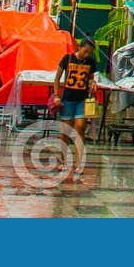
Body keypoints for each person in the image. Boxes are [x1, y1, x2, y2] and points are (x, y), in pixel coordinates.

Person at [53, 41, 99, 177]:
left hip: (81, 99)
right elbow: (57, 79)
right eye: (85, 51)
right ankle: (62, 159)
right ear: (79, 47)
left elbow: (90, 78)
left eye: (89, 53)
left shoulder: (90, 62)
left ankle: (79, 162)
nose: (87, 54)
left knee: (80, 126)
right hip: (67, 99)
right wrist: (56, 95)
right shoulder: (67, 59)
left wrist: (93, 82)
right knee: (65, 132)